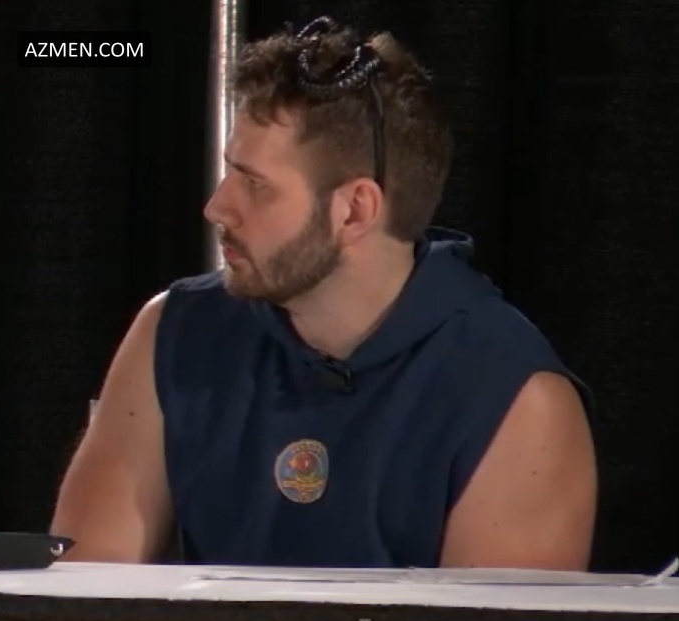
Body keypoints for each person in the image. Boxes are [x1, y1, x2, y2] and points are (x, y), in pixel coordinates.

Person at [50, 17, 597, 569]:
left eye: (255, 184)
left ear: (355, 210)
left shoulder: (518, 401)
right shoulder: (173, 333)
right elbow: (82, 602)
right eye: (230, 172)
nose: (217, 208)